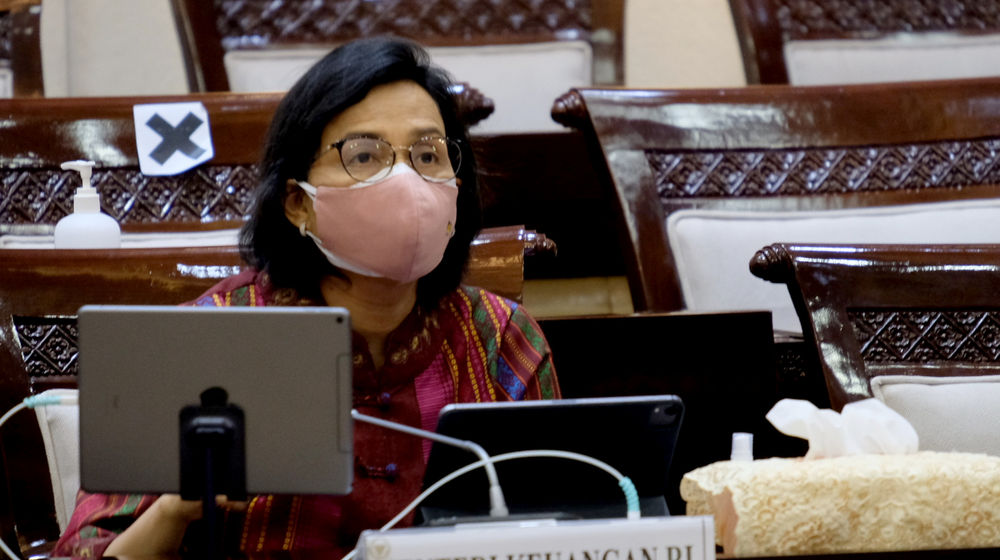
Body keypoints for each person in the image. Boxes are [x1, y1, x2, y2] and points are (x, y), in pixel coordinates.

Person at [54, 37, 560, 558]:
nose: (406, 180)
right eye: (364, 155)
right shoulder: (202, 342)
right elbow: (88, 550)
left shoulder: (499, 338)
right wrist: (173, 510)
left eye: (428, 155)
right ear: (297, 202)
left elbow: (567, 523)